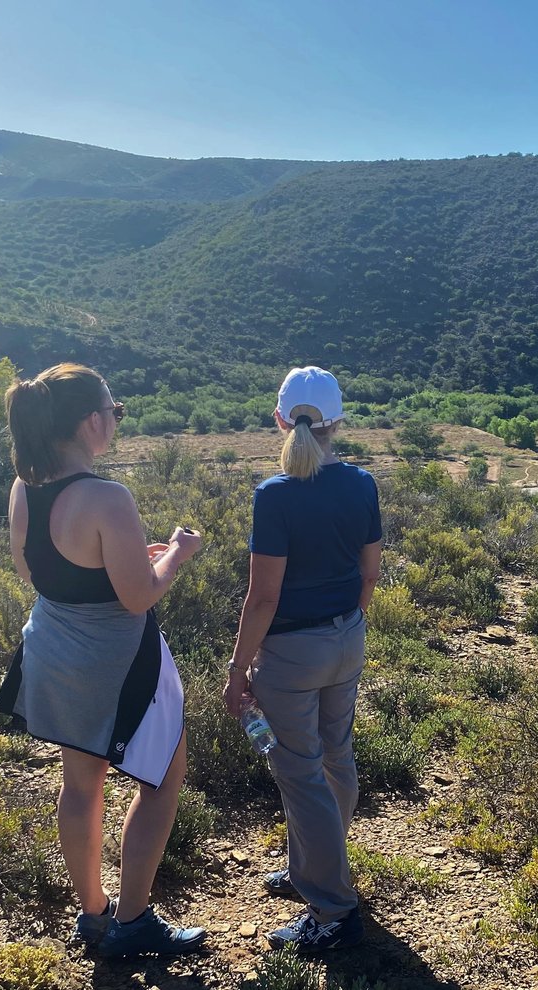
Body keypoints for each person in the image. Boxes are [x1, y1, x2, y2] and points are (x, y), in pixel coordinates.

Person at [0, 363, 207, 959]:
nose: (115, 421)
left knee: (80, 786)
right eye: (115, 412)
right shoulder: (108, 497)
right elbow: (137, 595)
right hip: (119, 661)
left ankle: (94, 915)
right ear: (91, 422)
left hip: (56, 651)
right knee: (161, 780)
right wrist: (177, 555)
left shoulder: (24, 489)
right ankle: (133, 923)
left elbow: (36, 571)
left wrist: (132, 557)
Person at [222, 366, 382, 954]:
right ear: (338, 421)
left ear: (280, 419)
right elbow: (370, 573)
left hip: (292, 653)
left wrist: (239, 668)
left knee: (300, 773)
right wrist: (349, 622)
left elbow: (263, 595)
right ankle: (314, 868)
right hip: (347, 640)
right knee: (336, 759)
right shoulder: (362, 484)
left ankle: (332, 910)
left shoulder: (275, 495)